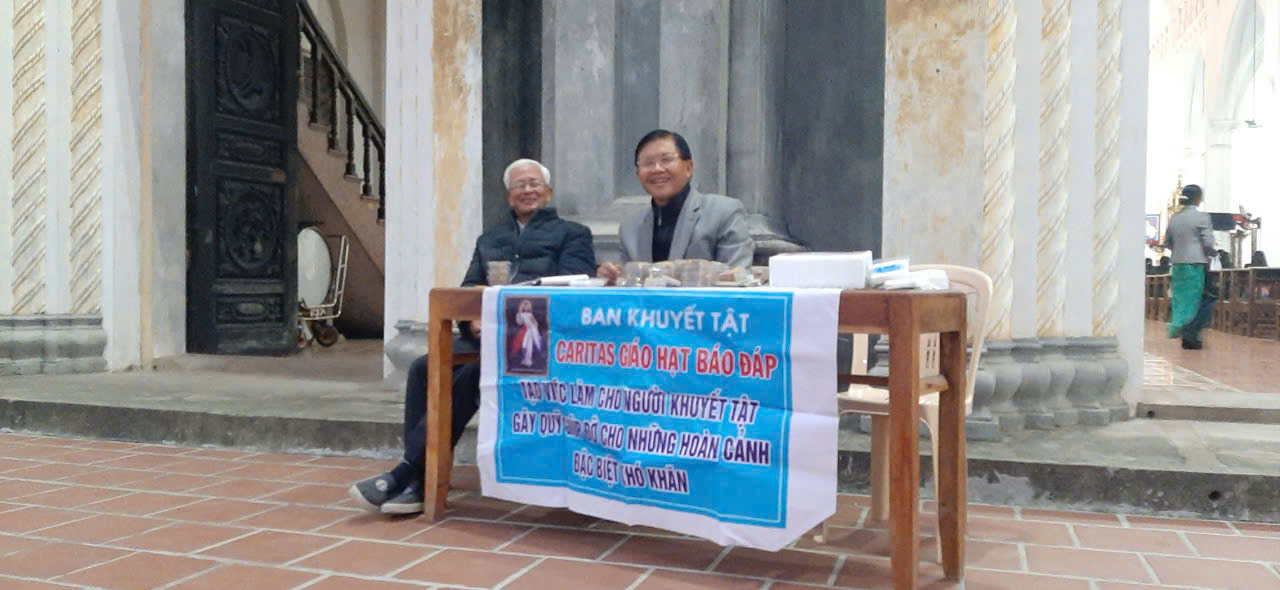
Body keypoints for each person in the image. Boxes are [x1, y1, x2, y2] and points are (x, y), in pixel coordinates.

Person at [348, 158, 597, 514]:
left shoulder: (573, 234)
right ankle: (422, 479)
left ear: (548, 192)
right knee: (423, 367)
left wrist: (508, 318)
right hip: (486, 338)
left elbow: (575, 290)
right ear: (509, 196)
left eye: (534, 184)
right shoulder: (490, 238)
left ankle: (410, 472)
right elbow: (467, 289)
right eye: (519, 185)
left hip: (537, 342)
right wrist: (472, 322)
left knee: (474, 373)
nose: (527, 190)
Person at [597, 129, 753, 282]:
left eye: (666, 160)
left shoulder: (723, 213)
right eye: (647, 163)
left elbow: (736, 280)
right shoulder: (630, 228)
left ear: (688, 168)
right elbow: (629, 286)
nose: (657, 169)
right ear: (638, 174)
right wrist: (613, 280)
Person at [1163, 184, 1217, 350]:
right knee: (1201, 299)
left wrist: (1180, 251)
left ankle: (1182, 330)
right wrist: (1213, 253)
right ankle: (1189, 333)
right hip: (1195, 264)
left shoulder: (1174, 218)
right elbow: (1208, 243)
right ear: (1198, 198)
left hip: (1178, 264)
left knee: (1181, 299)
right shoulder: (1201, 217)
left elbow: (1167, 242)